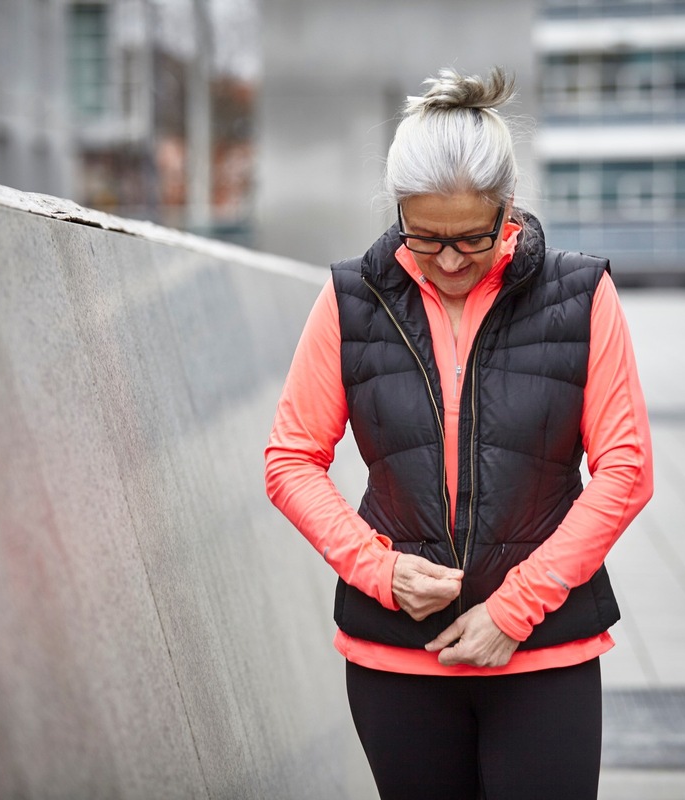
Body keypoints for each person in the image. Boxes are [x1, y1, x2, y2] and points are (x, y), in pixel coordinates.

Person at [264, 66, 653, 800]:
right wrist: (377, 570)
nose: (447, 261)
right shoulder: (351, 300)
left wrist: (513, 610)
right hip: (397, 658)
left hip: (544, 652)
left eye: (471, 239)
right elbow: (290, 460)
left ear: (508, 208)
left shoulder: (580, 295)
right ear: (398, 211)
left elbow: (627, 469)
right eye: (424, 238)